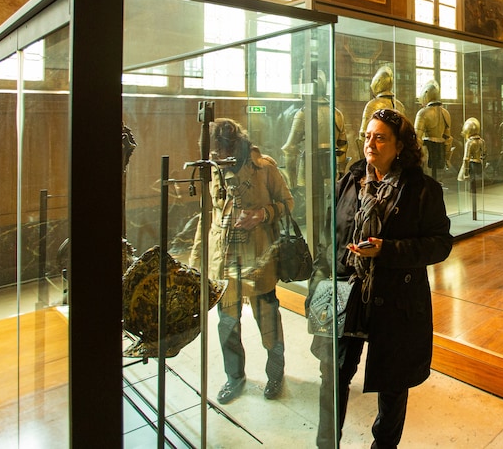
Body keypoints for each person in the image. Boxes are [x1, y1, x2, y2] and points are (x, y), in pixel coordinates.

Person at [315, 108, 452, 448]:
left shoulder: (422, 190)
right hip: (347, 293)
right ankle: (325, 443)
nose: (370, 144)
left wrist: (387, 250)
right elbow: (327, 237)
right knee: (334, 374)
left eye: (380, 138)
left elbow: (439, 245)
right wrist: (321, 282)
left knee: (392, 384)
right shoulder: (348, 182)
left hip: (395, 301)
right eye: (367, 136)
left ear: (400, 146)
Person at [189, 118, 294, 403]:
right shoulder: (214, 171)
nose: (216, 158)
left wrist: (262, 214)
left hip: (259, 260)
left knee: (268, 322)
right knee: (227, 324)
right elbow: (207, 215)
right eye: (213, 154)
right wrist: (196, 261)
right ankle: (235, 376)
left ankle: (275, 374)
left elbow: (288, 202)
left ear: (235, 146)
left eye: (220, 152)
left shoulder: (264, 167)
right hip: (224, 262)